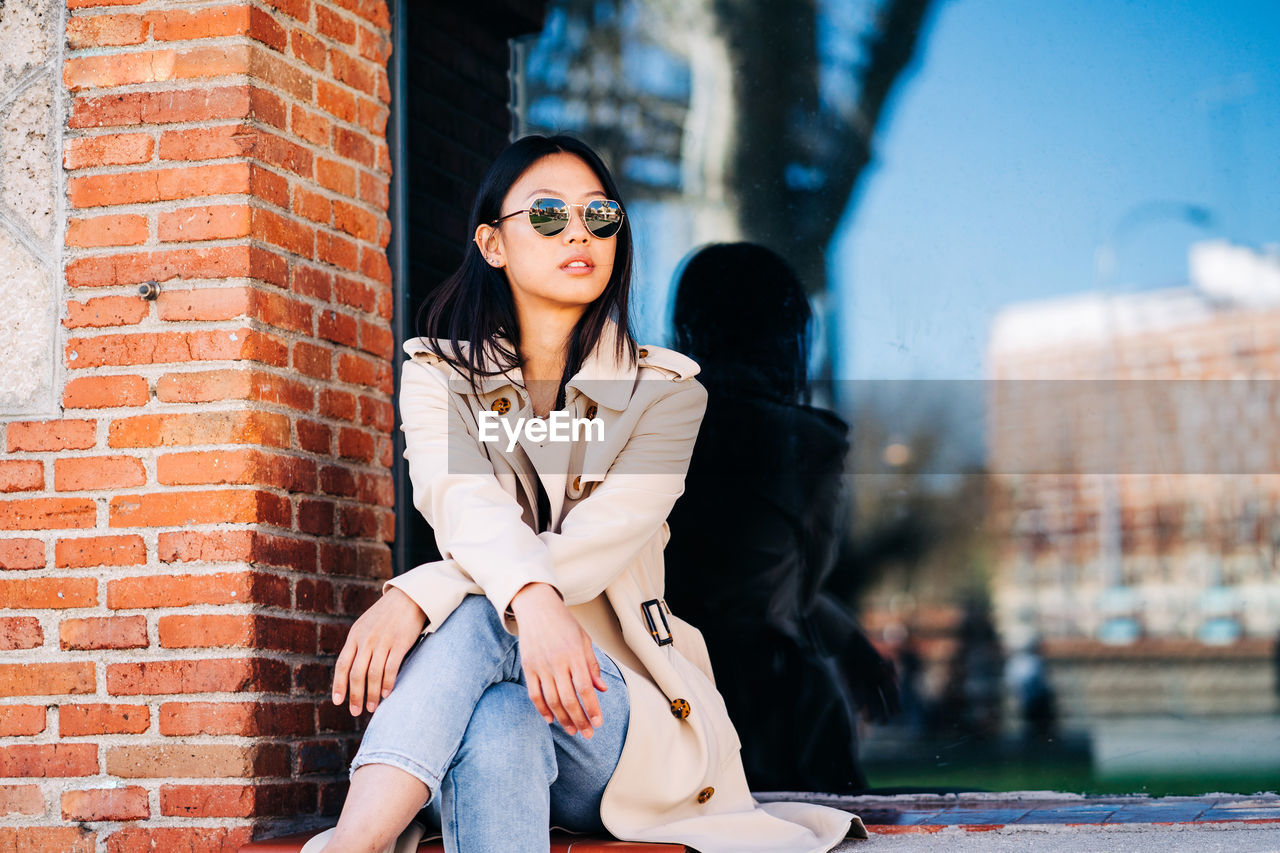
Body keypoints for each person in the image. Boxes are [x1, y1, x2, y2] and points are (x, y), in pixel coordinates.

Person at [303, 135, 867, 853]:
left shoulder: (667, 396)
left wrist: (422, 592)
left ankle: (351, 846)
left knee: (482, 616)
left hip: (620, 723)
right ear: (492, 244)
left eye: (599, 215)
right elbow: (460, 500)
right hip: (516, 708)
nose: (579, 231)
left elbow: (594, 548)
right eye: (546, 214)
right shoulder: (437, 376)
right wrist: (518, 600)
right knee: (500, 716)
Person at [663, 243, 898, 795]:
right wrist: (848, 642)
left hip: (669, 684)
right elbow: (794, 586)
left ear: (693, 329)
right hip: (772, 696)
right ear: (786, 334)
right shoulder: (807, 443)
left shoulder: (654, 429)